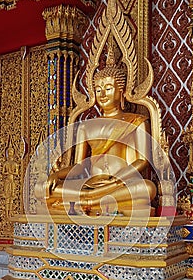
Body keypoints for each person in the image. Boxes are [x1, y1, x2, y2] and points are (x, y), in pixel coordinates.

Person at [35, 60, 156, 216]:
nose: (103, 95)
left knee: (147, 188)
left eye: (108, 88)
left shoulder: (136, 121)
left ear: (122, 91)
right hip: (90, 184)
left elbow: (142, 161)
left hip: (119, 184)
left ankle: (87, 203)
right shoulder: (86, 126)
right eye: (98, 90)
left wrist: (116, 179)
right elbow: (78, 165)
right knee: (41, 188)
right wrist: (56, 175)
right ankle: (90, 200)